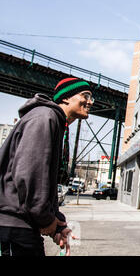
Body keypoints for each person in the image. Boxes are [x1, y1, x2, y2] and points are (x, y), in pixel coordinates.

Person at [0, 77, 94, 256]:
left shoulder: (53, 121)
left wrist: (57, 225)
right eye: (85, 95)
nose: (90, 102)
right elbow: (30, 176)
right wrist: (46, 220)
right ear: (66, 97)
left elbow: (45, 183)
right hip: (12, 228)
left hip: (22, 226)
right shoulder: (44, 117)